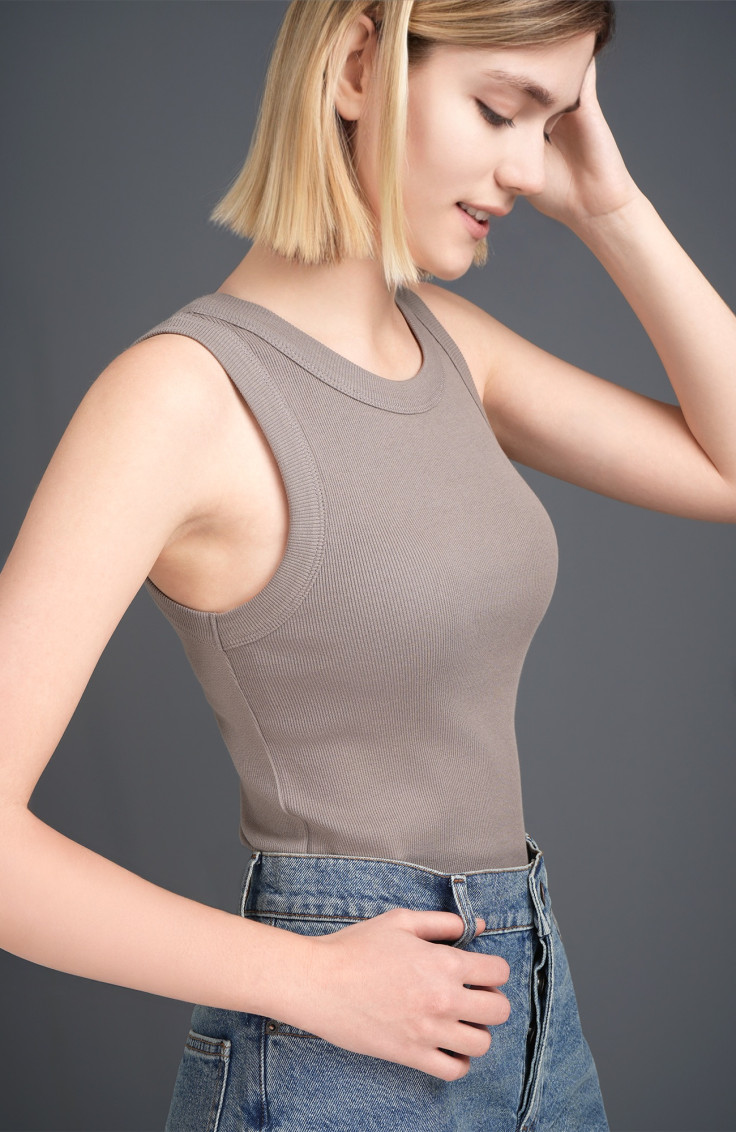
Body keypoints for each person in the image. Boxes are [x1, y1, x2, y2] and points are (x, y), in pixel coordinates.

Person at [1, 0, 734, 1128]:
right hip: (336, 1054)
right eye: (500, 110)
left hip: (533, 1021)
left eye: (551, 127)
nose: (528, 170)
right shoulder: (179, 396)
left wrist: (613, 209)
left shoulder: (451, 345)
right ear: (356, 64)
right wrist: (305, 978)